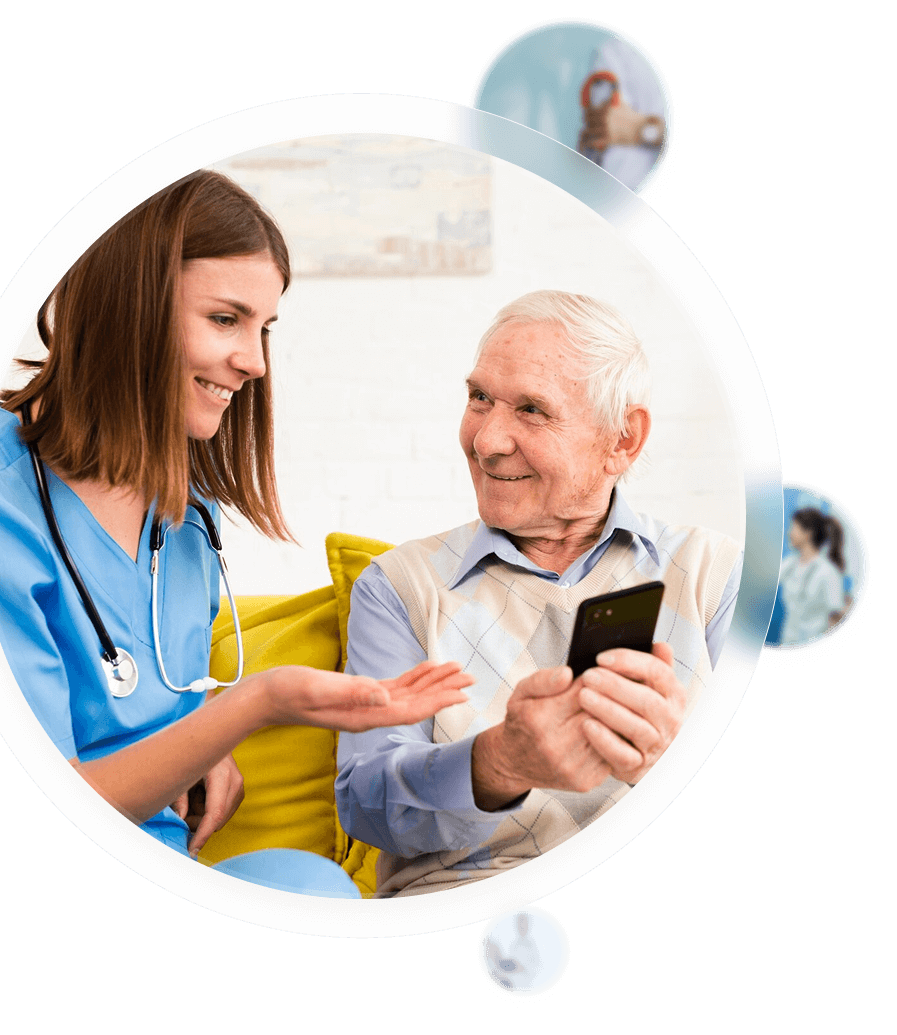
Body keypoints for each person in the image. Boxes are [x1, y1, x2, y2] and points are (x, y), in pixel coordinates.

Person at [0, 170, 472, 896]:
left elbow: (168, 707)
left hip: (172, 861)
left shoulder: (188, 515)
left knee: (318, 885)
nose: (254, 361)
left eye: (264, 328)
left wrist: (196, 748)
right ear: (128, 306)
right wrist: (252, 706)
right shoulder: (11, 499)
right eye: (226, 319)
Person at [336, 290, 742, 897]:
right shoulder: (399, 587)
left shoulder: (715, 575)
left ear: (622, 440)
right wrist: (499, 763)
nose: (487, 441)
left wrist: (672, 762)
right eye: (479, 398)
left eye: (532, 409)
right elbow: (365, 805)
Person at [777, 508, 847, 648]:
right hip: (787, 643)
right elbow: (766, 582)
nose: (789, 533)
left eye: (794, 528)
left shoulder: (828, 572)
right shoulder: (790, 564)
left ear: (808, 533)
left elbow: (836, 618)